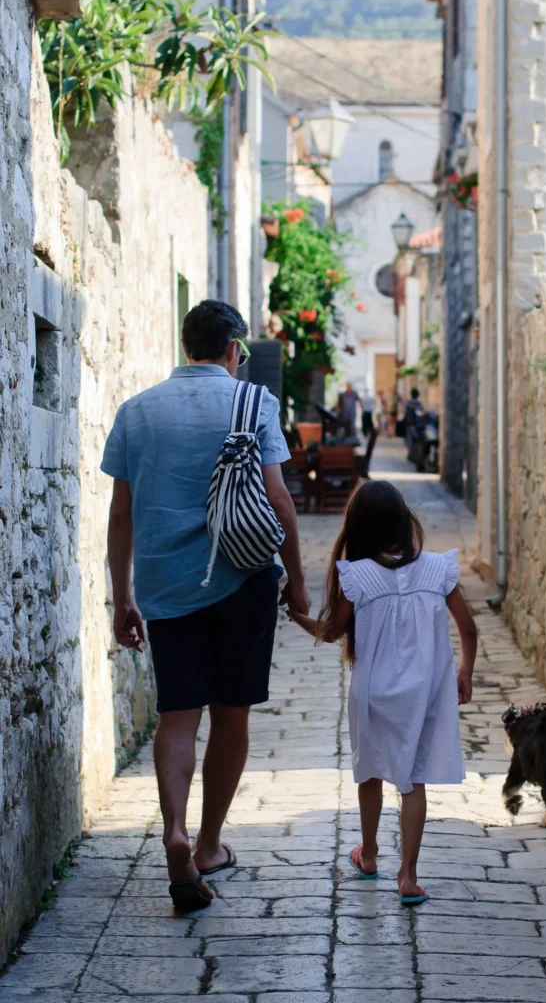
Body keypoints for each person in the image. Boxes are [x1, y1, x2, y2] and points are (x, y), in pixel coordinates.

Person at [101, 299, 311, 911]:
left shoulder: (136, 412)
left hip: (167, 585)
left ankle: (173, 830)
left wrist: (124, 597)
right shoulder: (253, 404)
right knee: (233, 713)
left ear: (186, 346)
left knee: (178, 715)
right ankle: (209, 845)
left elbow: (121, 515)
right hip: (243, 577)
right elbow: (278, 498)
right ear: (233, 350)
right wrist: (297, 579)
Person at [287, 480, 477, 906]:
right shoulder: (436, 570)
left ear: (358, 530)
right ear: (402, 522)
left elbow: (332, 632)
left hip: (372, 695)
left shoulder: (358, 576)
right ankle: (408, 876)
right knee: (413, 781)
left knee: (370, 772)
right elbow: (468, 627)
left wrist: (296, 615)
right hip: (424, 694)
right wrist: (465, 671)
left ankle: (369, 853)